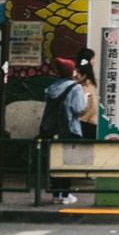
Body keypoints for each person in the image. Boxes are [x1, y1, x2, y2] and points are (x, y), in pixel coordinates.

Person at [40, 57, 87, 206]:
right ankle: (66, 195)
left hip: (53, 129)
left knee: (55, 162)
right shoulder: (75, 88)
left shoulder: (53, 87)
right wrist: (85, 98)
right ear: (70, 71)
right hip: (69, 129)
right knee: (67, 163)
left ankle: (56, 195)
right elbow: (79, 109)